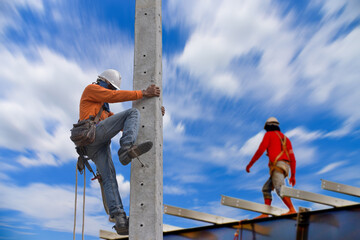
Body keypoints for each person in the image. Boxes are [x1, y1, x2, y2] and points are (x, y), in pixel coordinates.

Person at [78, 69, 163, 235]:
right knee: (132, 112)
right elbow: (113, 97)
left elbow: (126, 125)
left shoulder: (104, 110)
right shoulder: (91, 89)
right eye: (112, 87)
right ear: (106, 83)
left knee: (109, 178)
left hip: (95, 145)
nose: (112, 91)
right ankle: (126, 149)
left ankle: (120, 219)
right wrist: (143, 93)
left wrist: (156, 113)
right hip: (92, 136)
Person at [246, 117, 296, 218]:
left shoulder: (269, 135)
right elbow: (292, 158)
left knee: (279, 188)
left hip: (277, 166)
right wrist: (293, 176)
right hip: (284, 167)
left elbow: (260, 150)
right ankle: (265, 213)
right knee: (266, 188)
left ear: (268, 126)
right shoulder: (286, 139)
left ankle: (292, 209)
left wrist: (250, 164)